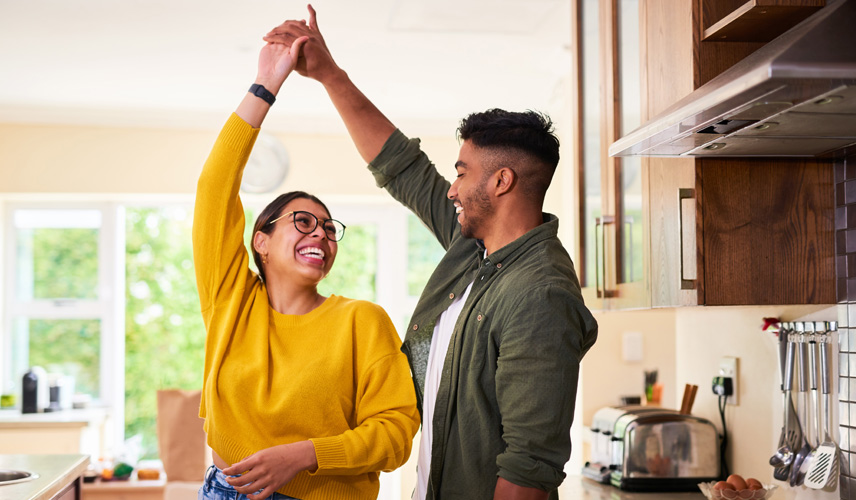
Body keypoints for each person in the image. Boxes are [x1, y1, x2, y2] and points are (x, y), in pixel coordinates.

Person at [263, 6, 599, 500]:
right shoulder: (475, 252)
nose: (451, 189)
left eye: (462, 172)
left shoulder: (540, 294)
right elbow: (403, 168)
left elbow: (529, 466)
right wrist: (329, 76)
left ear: (501, 182)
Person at [192, 32, 420, 500]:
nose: (321, 233)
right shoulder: (230, 301)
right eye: (302, 222)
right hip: (224, 491)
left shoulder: (362, 321)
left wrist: (305, 454)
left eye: (328, 227)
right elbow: (214, 189)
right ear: (262, 241)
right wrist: (264, 85)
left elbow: (396, 432)